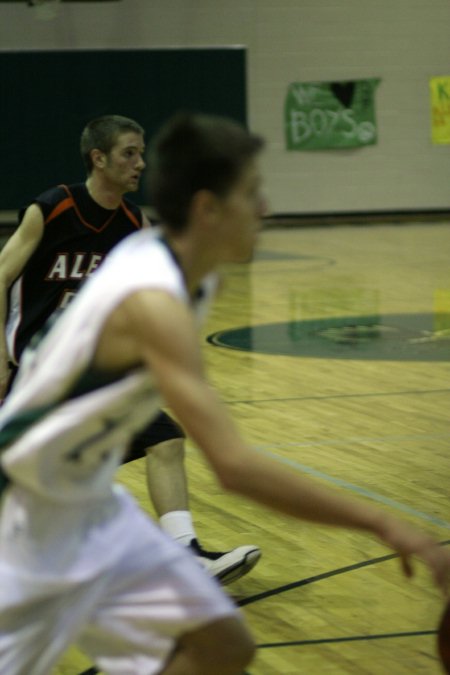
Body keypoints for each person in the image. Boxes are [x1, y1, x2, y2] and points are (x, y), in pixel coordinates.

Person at [0, 112, 449, 675]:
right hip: (33, 504)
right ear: (209, 208)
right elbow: (234, 466)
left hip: (84, 494)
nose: (265, 209)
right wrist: (385, 524)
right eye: (252, 193)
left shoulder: (182, 273)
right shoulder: (153, 296)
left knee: (223, 645)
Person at [0, 114, 260, 585]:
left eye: (142, 153)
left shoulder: (133, 223)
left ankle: (185, 553)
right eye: (129, 153)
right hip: (33, 371)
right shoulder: (53, 208)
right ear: (98, 159)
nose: (140, 163)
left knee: (164, 438)